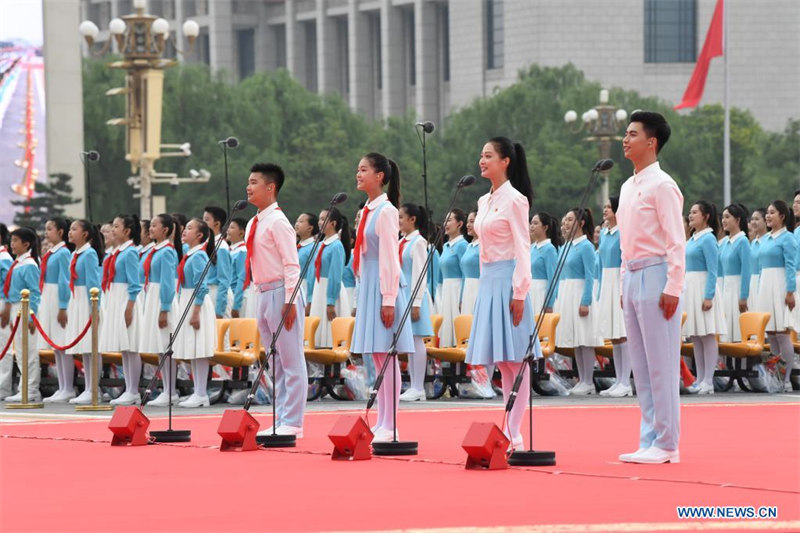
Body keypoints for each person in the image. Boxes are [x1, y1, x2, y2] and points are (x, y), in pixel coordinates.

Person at [617, 111, 684, 464]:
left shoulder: (663, 186)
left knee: (662, 363)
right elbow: (625, 242)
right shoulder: (628, 186)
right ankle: (649, 438)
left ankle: (668, 442)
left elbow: (676, 240)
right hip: (632, 275)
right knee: (640, 365)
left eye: (632, 134)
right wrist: (621, 283)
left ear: (651, 142)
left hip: (658, 275)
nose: (624, 140)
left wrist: (674, 284)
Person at [466, 137, 541, 450]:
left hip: (510, 281)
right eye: (481, 155)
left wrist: (520, 290)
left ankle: (515, 432)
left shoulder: (515, 200)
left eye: (488, 155)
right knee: (501, 360)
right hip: (489, 281)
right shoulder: (484, 201)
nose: (482, 161)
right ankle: (508, 428)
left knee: (516, 361)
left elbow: (523, 248)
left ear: (505, 161)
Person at [350, 152, 415, 442]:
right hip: (370, 285)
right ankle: (382, 418)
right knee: (377, 358)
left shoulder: (386, 211)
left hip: (383, 286)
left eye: (364, 170)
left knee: (387, 356)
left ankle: (392, 423)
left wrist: (388, 298)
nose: (358, 174)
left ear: (379, 177)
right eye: (358, 170)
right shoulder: (367, 210)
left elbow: (390, 256)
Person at [246, 163, 307, 437]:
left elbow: (291, 264)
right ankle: (280, 416)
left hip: (282, 292)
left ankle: (293, 422)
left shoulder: (279, 222)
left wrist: (290, 299)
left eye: (254, 182)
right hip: (262, 291)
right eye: (248, 182)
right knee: (275, 361)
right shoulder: (253, 222)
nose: (248, 187)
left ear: (270, 187)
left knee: (291, 360)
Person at [554, 208, 602, 396]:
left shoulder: (586, 246)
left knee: (585, 339)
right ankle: (582, 379)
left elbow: (590, 276)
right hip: (568, 293)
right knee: (576, 340)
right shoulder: (568, 246)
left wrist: (586, 301)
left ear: (581, 223)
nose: (565, 223)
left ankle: (589, 380)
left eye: (570, 220)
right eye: (565, 220)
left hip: (580, 293)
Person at [683, 201, 727, 395]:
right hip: (691, 288)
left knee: (708, 335)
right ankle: (700, 378)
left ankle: (708, 379)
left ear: (706, 216)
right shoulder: (692, 239)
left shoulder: (708, 238)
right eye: (690, 213)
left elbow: (713, 270)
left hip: (703, 288)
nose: (690, 216)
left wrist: (708, 296)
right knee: (696, 336)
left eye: (695, 212)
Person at [175, 218, 217, 408]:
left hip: (196, 303)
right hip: (187, 300)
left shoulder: (199, 256)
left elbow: (202, 286)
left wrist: (196, 312)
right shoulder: (190, 254)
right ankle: (197, 391)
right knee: (193, 348)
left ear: (199, 235)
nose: (184, 230)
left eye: (190, 228)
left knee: (199, 349)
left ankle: (201, 393)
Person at [755, 201, 797, 392]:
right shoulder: (766, 239)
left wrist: (790, 291)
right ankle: (775, 376)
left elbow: (790, 266)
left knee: (782, 332)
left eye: (772, 213)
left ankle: (786, 378)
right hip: (765, 285)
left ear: (782, 216)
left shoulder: (787, 238)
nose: (768, 216)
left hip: (779, 285)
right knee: (770, 333)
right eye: (768, 213)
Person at [140, 214, 181, 406]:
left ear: (165, 230)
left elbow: (167, 282)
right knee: (159, 346)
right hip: (153, 296)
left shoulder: (167, 251)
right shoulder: (157, 250)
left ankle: (171, 391)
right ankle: (166, 388)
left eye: (154, 226)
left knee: (166, 346)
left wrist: (165, 308)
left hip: (161, 299)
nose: (150, 228)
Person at [103, 214, 144, 406]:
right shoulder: (117, 252)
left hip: (127, 299)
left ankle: (133, 390)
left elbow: (135, 284)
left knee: (131, 347)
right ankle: (128, 388)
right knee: (125, 350)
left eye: (116, 226)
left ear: (127, 231)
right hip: (117, 297)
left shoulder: (130, 253)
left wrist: (129, 308)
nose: (112, 230)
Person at [397, 203, 434, 402]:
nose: (398, 220)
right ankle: (413, 385)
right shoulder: (401, 241)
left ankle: (418, 386)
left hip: (414, 298)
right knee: (409, 342)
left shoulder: (418, 242)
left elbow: (420, 274)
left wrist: (416, 302)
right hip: (403, 297)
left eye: (402, 217)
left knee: (416, 340)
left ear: (412, 219)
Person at [596, 197, 633, 397]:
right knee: (614, 336)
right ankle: (619, 380)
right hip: (607, 282)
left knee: (622, 333)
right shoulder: (604, 233)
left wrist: (622, 288)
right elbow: (601, 264)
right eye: (605, 207)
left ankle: (626, 382)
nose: (605, 210)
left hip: (619, 279)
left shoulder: (623, 232)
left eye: (609, 207)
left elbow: (626, 260)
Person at [0, 227, 42, 402]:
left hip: (26, 309)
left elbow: (35, 292)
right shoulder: (18, 263)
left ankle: (31, 388)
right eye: (11, 241)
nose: (12, 244)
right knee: (21, 351)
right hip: (17, 309)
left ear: (26, 244)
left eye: (16, 241)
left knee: (29, 350)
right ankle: (24, 387)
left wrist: (32, 316)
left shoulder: (29, 265)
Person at [66, 220, 104, 405]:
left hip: (87, 301)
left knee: (91, 347)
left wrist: (94, 308)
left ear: (85, 234)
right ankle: (88, 386)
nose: (70, 232)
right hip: (77, 300)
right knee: (84, 349)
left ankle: (93, 387)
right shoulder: (76, 253)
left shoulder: (89, 254)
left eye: (74, 229)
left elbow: (93, 283)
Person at [39, 217, 75, 402]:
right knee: (56, 347)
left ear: (60, 232)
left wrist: (63, 306)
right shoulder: (53, 252)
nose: (46, 232)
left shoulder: (62, 253)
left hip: (57, 298)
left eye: (50, 229)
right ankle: (62, 386)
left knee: (62, 344)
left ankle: (68, 386)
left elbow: (64, 281)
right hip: (49, 295)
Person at [309, 207, 350, 348]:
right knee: (318, 330)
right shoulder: (321, 245)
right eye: (319, 219)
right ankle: (319, 367)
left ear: (333, 223)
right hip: (319, 289)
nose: (319, 222)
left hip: (330, 290)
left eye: (323, 219)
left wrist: (331, 301)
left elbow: (335, 275)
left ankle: (333, 367)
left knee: (330, 330)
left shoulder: (336, 246)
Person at [719, 204, 752, 343]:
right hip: (726, 289)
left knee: (737, 330)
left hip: (737, 289)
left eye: (727, 217)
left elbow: (746, 271)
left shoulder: (743, 241)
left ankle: (741, 364)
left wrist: (743, 296)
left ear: (737, 220)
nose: (724, 220)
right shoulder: (726, 243)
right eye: (722, 217)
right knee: (726, 330)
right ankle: (726, 364)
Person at [438, 209, 468, 347]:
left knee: (457, 325)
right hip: (446, 290)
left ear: (460, 224)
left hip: (456, 289)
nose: (446, 223)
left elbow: (465, 273)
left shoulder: (462, 246)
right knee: (446, 326)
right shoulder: (445, 246)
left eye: (450, 220)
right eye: (445, 220)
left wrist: (462, 297)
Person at [203, 206, 233, 320]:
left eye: (206, 219)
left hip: (218, 294)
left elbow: (224, 280)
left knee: (221, 334)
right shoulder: (208, 244)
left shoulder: (221, 247)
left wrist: (219, 309)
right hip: (209, 293)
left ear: (217, 224)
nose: (203, 223)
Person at [529, 212, 560, 318]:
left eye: (536, 223)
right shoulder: (531, 248)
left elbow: (553, 278)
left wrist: (549, 303)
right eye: (531, 223)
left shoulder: (549, 249)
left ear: (545, 227)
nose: (531, 226)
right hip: (530, 292)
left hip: (541, 294)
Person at [227, 217, 251, 319]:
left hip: (238, 297)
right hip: (231, 296)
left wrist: (236, 305)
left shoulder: (242, 251)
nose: (228, 230)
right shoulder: (231, 250)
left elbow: (242, 279)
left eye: (232, 227)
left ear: (241, 233)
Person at [295, 212, 318, 314]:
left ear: (310, 228)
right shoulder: (295, 246)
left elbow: (311, 275)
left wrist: (310, 300)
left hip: (303, 288)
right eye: (297, 221)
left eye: (301, 221)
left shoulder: (313, 248)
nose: (297, 224)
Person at [748, 208, 767, 311]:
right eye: (752, 219)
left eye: (757, 219)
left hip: (764, 282)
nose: (753, 222)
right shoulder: (753, 243)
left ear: (765, 221)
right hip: (753, 283)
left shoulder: (768, 241)